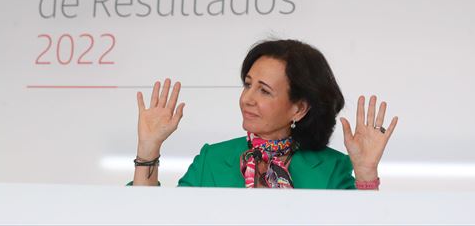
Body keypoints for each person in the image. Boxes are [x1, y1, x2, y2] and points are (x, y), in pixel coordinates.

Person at [131, 39, 398, 189]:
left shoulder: (332, 168)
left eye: (264, 91)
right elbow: (154, 217)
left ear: (299, 108)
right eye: (248, 85)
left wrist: (365, 174)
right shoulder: (211, 160)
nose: (247, 98)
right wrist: (148, 150)